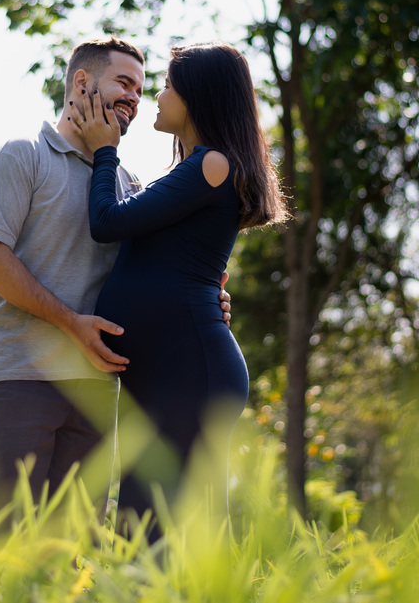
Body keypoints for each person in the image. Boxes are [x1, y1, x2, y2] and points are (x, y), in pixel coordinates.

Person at [0, 36, 232, 538]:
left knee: (72, 552)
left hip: (97, 389)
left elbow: (151, 271)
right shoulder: (22, 156)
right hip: (19, 374)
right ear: (81, 82)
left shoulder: (127, 184)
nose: (134, 97)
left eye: (141, 89)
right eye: (123, 83)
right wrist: (70, 322)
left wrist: (201, 298)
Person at [69, 41, 287, 540]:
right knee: (146, 523)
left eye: (167, 86)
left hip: (188, 373)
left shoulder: (212, 165)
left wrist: (105, 151)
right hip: (168, 373)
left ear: (196, 97)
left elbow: (107, 222)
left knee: (163, 527)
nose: (157, 97)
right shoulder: (194, 169)